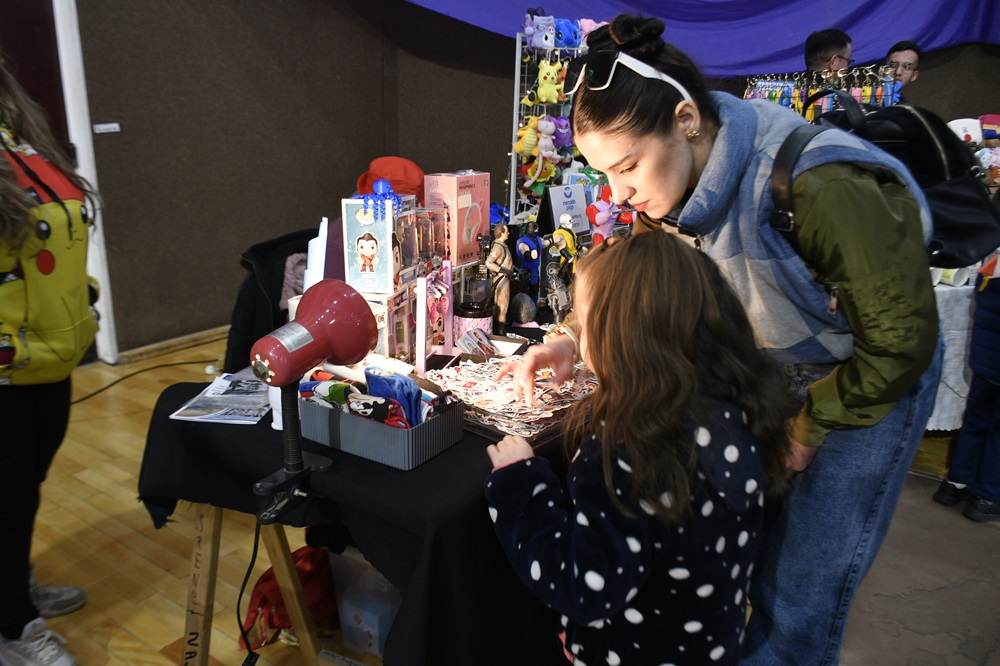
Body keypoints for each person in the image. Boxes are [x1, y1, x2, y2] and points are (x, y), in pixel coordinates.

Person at [507, 14, 942, 664]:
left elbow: (900, 343)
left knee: (801, 592)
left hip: (865, 382)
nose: (619, 194)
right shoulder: (669, 188)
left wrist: (809, 424)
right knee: (747, 563)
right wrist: (575, 335)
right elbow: (641, 281)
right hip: (771, 373)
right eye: (603, 176)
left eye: (627, 166)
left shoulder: (820, 186)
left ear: (685, 119)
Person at [486, 232, 794, 665]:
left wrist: (521, 487)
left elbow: (584, 584)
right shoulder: (736, 412)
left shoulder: (628, 445)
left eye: (584, 320)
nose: (579, 330)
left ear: (623, 337)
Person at [0, 52, 100, 666]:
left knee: (24, 488)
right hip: (6, 367)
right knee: (7, 495)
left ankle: (11, 585)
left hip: (53, 357)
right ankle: (14, 626)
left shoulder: (25, 148)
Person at [932, 254, 1000, 522]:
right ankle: (987, 496)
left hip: (985, 364)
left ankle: (955, 483)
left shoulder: (991, 267)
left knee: (976, 419)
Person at [485, 223, 515, 334]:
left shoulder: (502, 246)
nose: (508, 233)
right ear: (501, 233)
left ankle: (499, 328)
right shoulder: (498, 247)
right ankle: (500, 331)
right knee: (503, 306)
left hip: (504, 278)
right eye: (506, 231)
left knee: (500, 305)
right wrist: (502, 271)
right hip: (502, 279)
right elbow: (488, 262)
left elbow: (506, 262)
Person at [885, 40, 921, 105]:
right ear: (884, 69)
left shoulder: (907, 110)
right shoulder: (865, 96)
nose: (898, 72)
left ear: (914, 76)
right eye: (893, 65)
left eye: (906, 67)